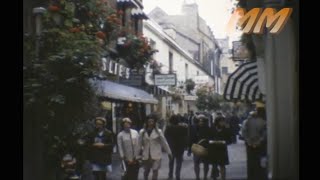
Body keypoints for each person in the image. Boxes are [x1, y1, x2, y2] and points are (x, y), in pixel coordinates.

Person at [139, 113, 172, 180]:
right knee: (146, 172)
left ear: (154, 122)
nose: (151, 123)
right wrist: (137, 155)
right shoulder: (142, 132)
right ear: (147, 122)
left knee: (155, 171)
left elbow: (164, 142)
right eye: (149, 121)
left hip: (156, 155)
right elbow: (139, 144)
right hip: (146, 155)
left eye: (152, 121)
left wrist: (169, 152)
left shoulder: (158, 131)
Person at [241, 110, 267, 180]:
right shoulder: (263, 122)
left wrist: (249, 142)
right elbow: (264, 134)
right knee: (260, 161)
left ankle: (251, 176)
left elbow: (244, 133)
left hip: (250, 144)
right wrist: (259, 141)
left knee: (250, 161)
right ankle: (260, 176)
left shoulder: (246, 122)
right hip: (260, 144)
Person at [188, 115, 213, 180]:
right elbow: (191, 139)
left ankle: (203, 177)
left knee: (204, 163)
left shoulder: (207, 128)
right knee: (198, 163)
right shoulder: (194, 128)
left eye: (202, 121)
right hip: (198, 147)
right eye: (199, 121)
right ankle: (199, 177)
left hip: (203, 147)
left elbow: (210, 138)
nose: (201, 122)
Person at [164, 114, 188, 180]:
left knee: (171, 162)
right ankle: (177, 175)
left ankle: (170, 175)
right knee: (179, 162)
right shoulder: (183, 128)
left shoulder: (168, 128)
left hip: (171, 147)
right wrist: (185, 146)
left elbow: (165, 138)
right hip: (180, 147)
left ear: (170, 121)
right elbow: (186, 137)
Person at [208, 115, 232, 180]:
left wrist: (224, 142)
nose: (223, 123)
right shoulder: (212, 129)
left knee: (222, 165)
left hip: (222, 150)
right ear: (217, 122)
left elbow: (230, 140)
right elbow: (208, 138)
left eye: (223, 121)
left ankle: (223, 178)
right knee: (214, 166)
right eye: (221, 122)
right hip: (214, 150)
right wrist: (211, 142)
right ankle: (214, 177)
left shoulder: (226, 129)